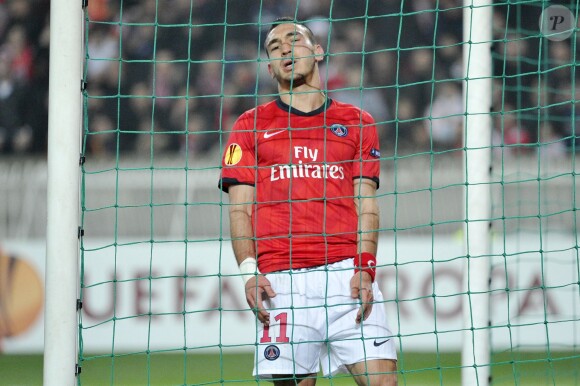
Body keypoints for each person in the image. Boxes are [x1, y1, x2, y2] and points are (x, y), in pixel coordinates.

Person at [218, 17, 397, 385]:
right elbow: (239, 210)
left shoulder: (358, 122)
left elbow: (368, 205)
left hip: (346, 274)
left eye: (294, 39)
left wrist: (365, 267)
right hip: (282, 283)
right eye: (274, 46)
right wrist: (249, 272)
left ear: (317, 51)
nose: (284, 47)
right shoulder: (250, 126)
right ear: (270, 68)